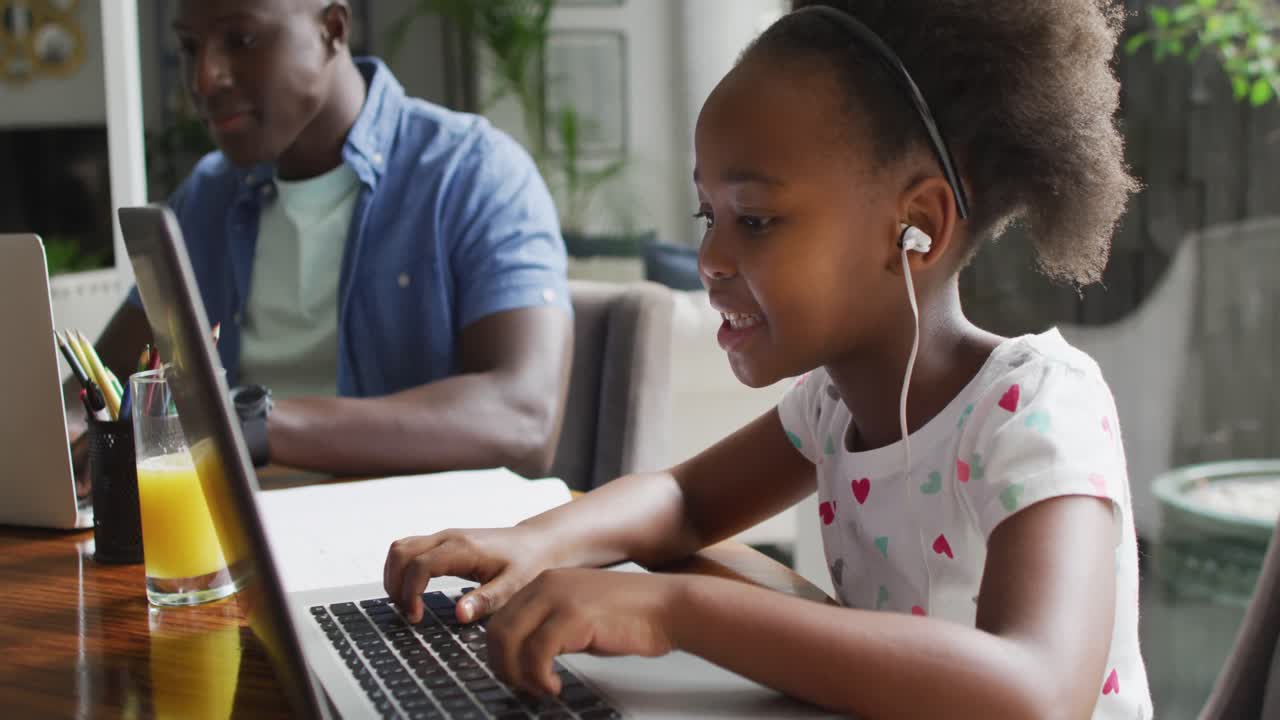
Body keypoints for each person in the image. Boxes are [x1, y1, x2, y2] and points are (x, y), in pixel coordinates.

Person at [383, 1, 1154, 717]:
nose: (710, 256)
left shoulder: (1038, 412)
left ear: (914, 225)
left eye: (754, 218)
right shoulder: (832, 407)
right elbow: (685, 501)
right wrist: (534, 542)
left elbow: (1035, 689)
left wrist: (673, 611)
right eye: (707, 213)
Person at [85, 0, 573, 478]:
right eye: (191, 47)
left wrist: (245, 424)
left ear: (333, 30)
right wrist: (70, 426)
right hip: (232, 537)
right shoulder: (207, 197)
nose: (204, 78)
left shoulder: (473, 174)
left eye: (241, 40)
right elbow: (101, 380)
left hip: (403, 545)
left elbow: (524, 417)